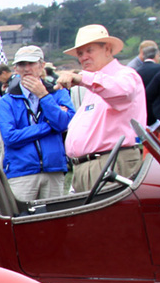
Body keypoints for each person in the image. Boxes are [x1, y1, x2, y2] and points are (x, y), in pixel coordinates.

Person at [54, 24, 148, 193]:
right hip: (93, 166)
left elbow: (122, 91)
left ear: (108, 49)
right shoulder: (93, 84)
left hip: (110, 164)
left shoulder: (124, 75)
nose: (84, 57)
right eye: (80, 54)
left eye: (89, 50)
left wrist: (82, 78)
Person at [0, 46, 74, 202]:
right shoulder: (6, 101)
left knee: (54, 221)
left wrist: (44, 96)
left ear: (41, 65)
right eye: (22, 64)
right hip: (21, 172)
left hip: (54, 169)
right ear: (15, 69)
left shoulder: (57, 93)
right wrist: (48, 126)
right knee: (21, 221)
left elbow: (64, 124)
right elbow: (10, 137)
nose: (27, 69)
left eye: (31, 63)